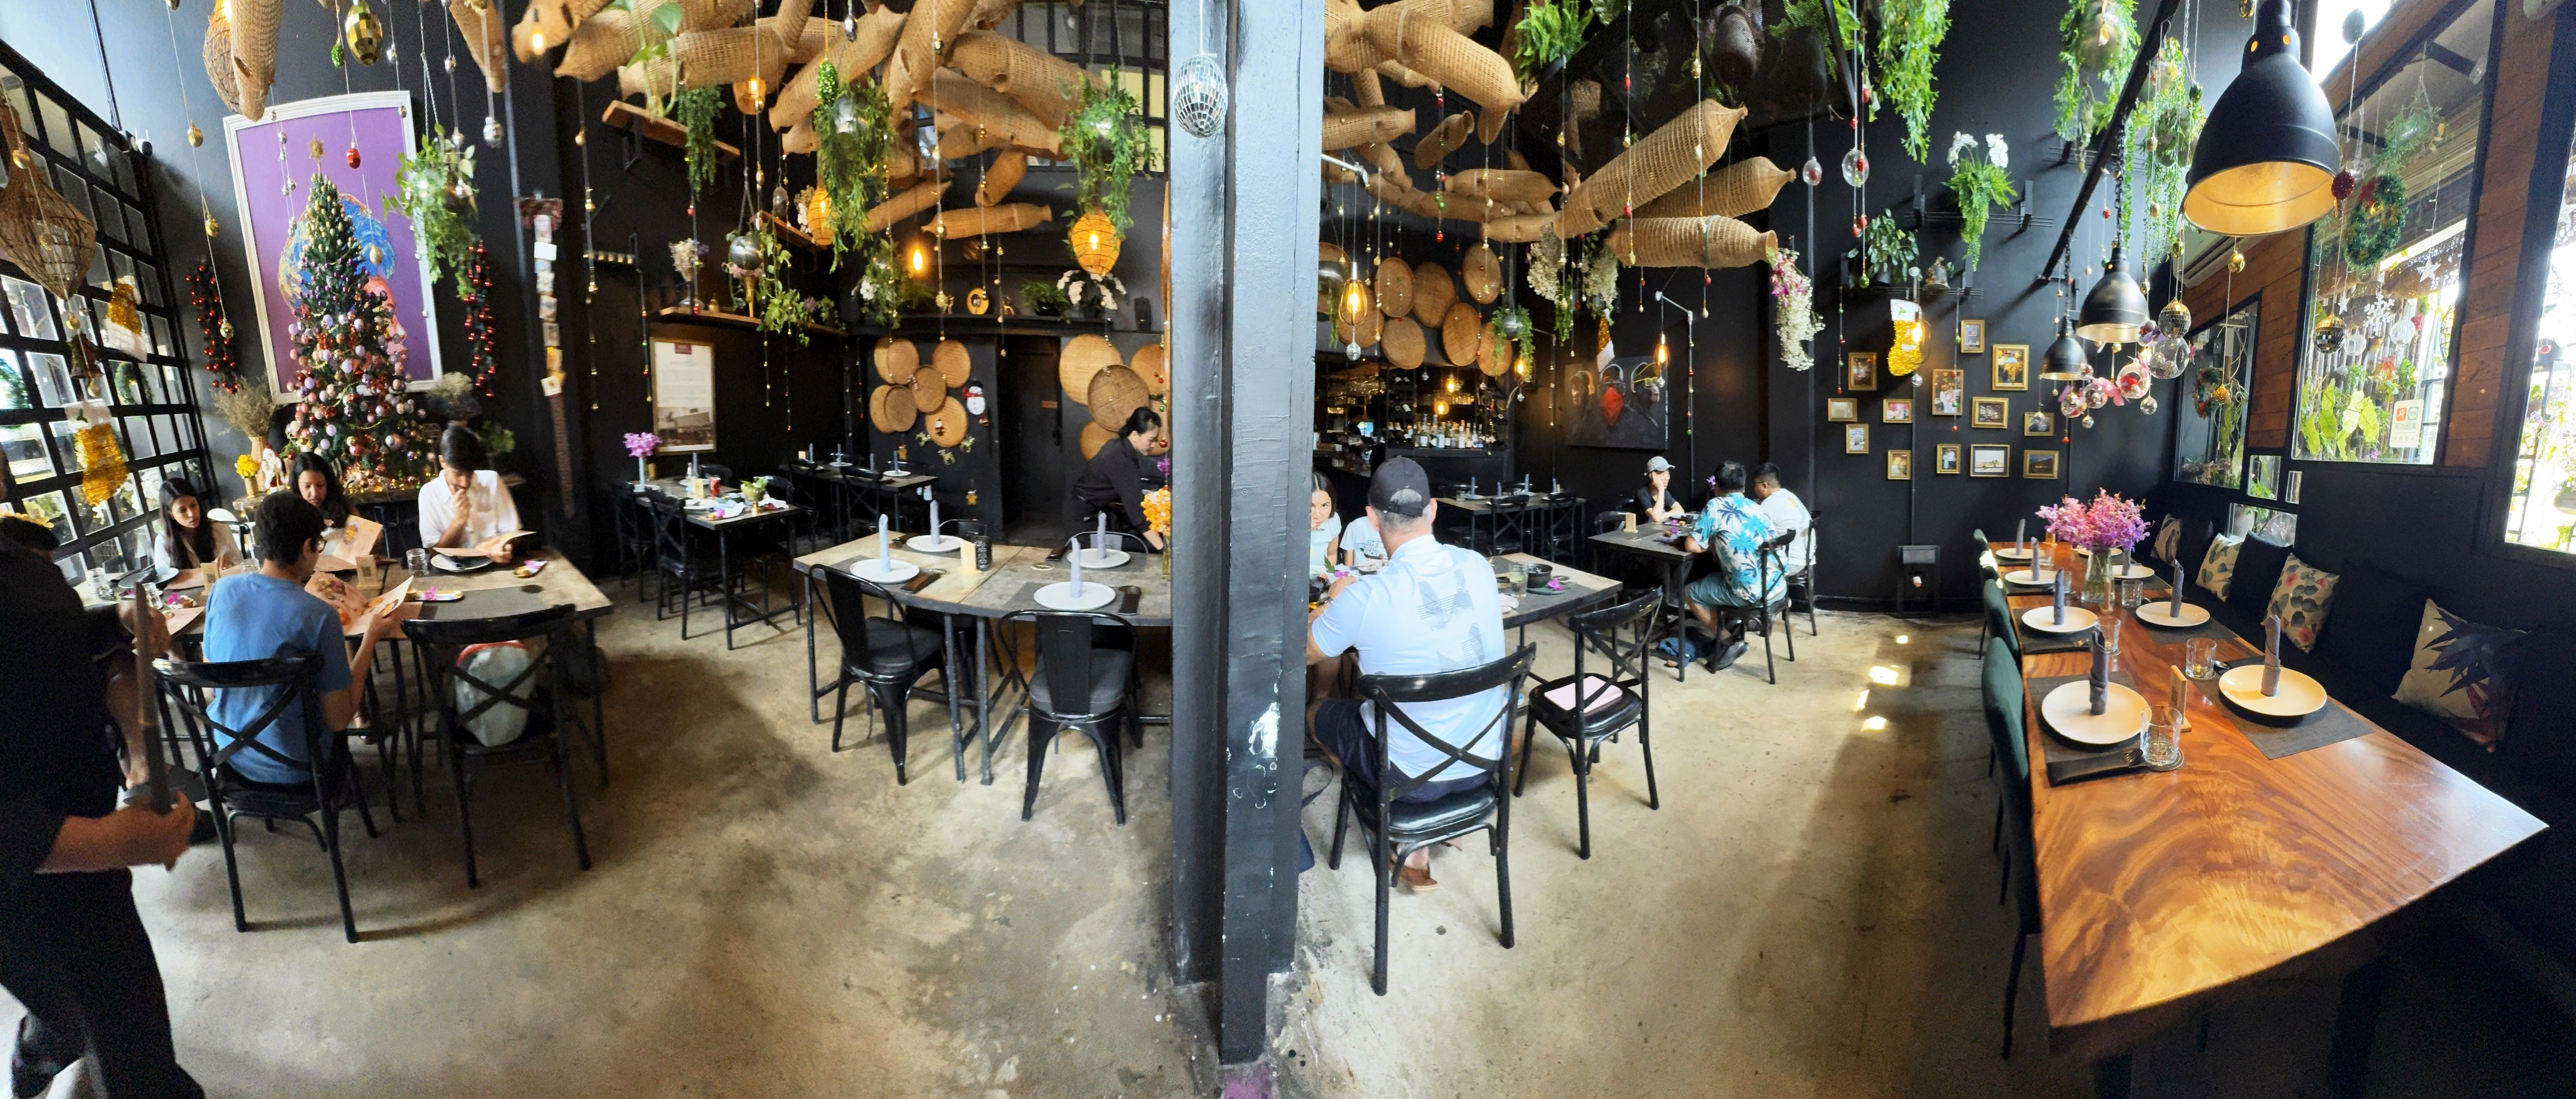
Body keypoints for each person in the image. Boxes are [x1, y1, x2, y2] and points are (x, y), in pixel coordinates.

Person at [0, 532, 205, 1099]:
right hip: (26, 886)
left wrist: (115, 620)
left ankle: (39, 1051)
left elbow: (34, 645)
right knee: (133, 1049)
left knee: (92, 1012)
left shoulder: (11, 551)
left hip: (86, 849)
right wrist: (107, 842)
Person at [1305, 457, 1506, 893]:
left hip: (1408, 780)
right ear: (1432, 510)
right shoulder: (1477, 566)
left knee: (1319, 712)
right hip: (1483, 762)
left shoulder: (1365, 597)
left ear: (1372, 518)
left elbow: (1304, 653)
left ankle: (1402, 828)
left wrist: (1332, 603)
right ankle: (1431, 832)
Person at [202, 492, 415, 786]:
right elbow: (339, 719)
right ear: (307, 547)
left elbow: (211, 686)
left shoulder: (222, 590)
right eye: (319, 544)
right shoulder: (318, 615)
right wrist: (370, 639)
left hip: (229, 760)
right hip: (300, 768)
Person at [1678, 462, 1784, 670]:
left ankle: (1728, 641)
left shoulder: (1715, 506)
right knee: (1716, 578)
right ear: (1743, 487)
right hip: (1777, 586)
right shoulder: (1757, 507)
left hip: (1752, 593)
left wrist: (1711, 545)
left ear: (1716, 486)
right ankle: (1729, 626)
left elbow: (1691, 546)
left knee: (1690, 592)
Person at [418, 424, 524, 563]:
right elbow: (435, 553)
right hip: (453, 571)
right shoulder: (429, 493)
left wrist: (503, 547)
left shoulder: (492, 481)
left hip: (495, 566)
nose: (465, 483)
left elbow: (514, 534)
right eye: (458, 474)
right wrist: (459, 520)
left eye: (470, 473)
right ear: (443, 462)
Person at [1067, 407, 1167, 551]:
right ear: (1135, 435)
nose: (1153, 445)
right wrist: (1164, 550)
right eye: (1151, 440)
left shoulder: (1117, 446)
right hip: (1082, 514)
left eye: (1155, 440)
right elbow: (1139, 518)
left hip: (1092, 508)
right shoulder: (1122, 460)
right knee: (1088, 558)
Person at [152, 477, 241, 574]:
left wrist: (230, 565)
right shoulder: (163, 542)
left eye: (193, 506)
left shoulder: (221, 530)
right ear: (171, 514)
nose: (191, 514)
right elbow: (164, 578)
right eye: (182, 510)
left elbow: (241, 566)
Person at [1748, 463, 1813, 576]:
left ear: (1764, 486)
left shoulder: (1769, 504)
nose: (1754, 489)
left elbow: (1751, 533)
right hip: (1807, 558)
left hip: (1792, 563)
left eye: (1755, 485)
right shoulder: (1788, 495)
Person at [291, 451, 353, 531]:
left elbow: (360, 530)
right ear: (297, 485)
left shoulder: (342, 505)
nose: (315, 493)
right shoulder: (291, 515)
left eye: (320, 485)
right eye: (307, 486)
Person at [1634, 455, 1688, 525]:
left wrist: (1663, 516)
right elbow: (1656, 517)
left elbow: (1680, 510)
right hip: (1641, 531)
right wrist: (1661, 489)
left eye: (1668, 473)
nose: (1668, 478)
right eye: (1663, 474)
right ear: (1652, 476)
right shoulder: (1642, 494)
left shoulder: (1665, 493)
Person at [1307, 473, 1342, 579]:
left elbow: (1332, 554)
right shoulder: (1290, 522)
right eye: (1311, 506)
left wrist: (1325, 578)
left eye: (1325, 506)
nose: (1318, 515)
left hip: (1320, 577)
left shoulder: (1333, 520)